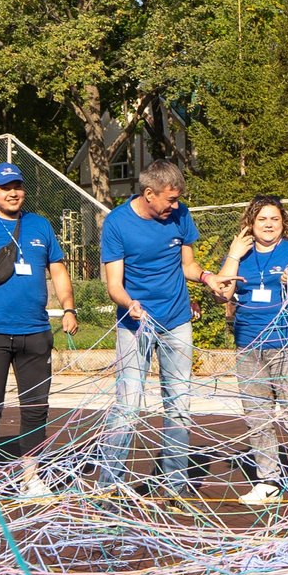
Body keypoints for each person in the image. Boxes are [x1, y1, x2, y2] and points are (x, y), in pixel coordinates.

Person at [0, 163, 79, 493]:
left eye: (17, 185)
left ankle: (30, 477)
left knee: (36, 409)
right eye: (5, 187)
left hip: (35, 332)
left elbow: (59, 272)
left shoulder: (41, 226)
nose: (13, 192)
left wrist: (68, 307)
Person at [210, 196, 288, 520]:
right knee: (257, 416)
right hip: (249, 345)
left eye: (274, 219)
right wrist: (233, 255)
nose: (267, 224)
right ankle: (268, 481)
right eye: (261, 218)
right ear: (251, 221)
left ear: (283, 222)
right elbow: (220, 292)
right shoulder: (242, 255)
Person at [101, 159, 207, 500]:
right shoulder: (117, 223)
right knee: (128, 404)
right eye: (169, 200)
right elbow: (114, 284)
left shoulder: (180, 215)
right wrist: (129, 303)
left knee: (178, 404)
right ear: (149, 194)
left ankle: (175, 486)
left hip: (177, 322)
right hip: (135, 325)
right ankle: (108, 484)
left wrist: (208, 278)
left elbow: (188, 265)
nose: (175, 207)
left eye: (177, 200)